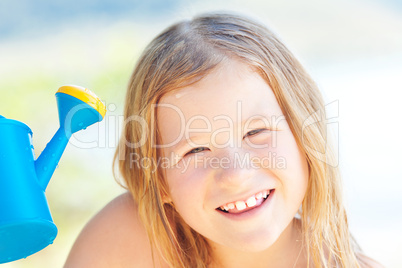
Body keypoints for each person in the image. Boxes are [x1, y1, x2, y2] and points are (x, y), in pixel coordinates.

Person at [65, 12, 382, 268]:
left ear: (305, 137)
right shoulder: (123, 240)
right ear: (159, 180)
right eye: (196, 150)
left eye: (255, 133)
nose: (236, 174)